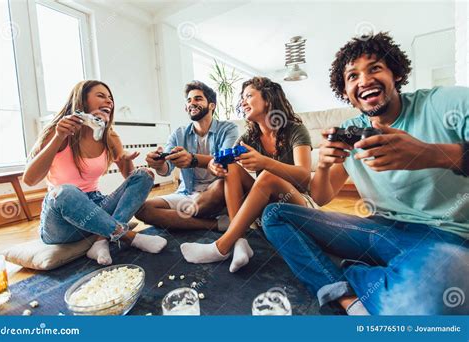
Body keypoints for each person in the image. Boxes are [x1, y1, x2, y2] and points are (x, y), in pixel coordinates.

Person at [262, 32, 469, 315]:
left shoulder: (446, 103)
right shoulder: (351, 129)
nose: (364, 81)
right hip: (376, 230)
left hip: (442, 237)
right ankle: (347, 297)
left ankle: (353, 271)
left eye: (374, 68)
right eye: (352, 76)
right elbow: (322, 198)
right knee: (275, 215)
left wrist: (428, 153)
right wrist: (323, 165)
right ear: (345, 90)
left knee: (435, 301)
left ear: (394, 73)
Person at [181, 76, 317, 273]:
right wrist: (214, 165)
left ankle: (222, 246)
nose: (242, 102)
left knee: (267, 176)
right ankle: (240, 242)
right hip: (265, 209)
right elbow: (221, 160)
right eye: (241, 98)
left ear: (268, 99)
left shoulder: (294, 129)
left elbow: (304, 177)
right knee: (231, 166)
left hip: (299, 203)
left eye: (248, 96)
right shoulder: (250, 136)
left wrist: (265, 162)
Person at [23, 80, 167, 265]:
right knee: (65, 191)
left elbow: (131, 180)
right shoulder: (58, 131)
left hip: (95, 208)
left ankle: (100, 241)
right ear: (82, 101)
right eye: (101, 96)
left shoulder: (109, 136)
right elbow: (30, 179)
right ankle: (128, 237)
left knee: (144, 175)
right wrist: (59, 136)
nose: (109, 102)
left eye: (110, 99)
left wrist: (126, 161)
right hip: (61, 221)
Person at [136, 81, 238, 230]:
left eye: (198, 99)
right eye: (189, 100)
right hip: (187, 194)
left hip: (214, 193)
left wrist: (193, 159)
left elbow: (225, 161)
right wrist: (159, 164)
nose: (192, 103)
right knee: (142, 209)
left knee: (221, 186)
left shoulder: (228, 129)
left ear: (212, 105)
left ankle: (177, 218)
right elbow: (166, 170)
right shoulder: (178, 134)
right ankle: (215, 224)